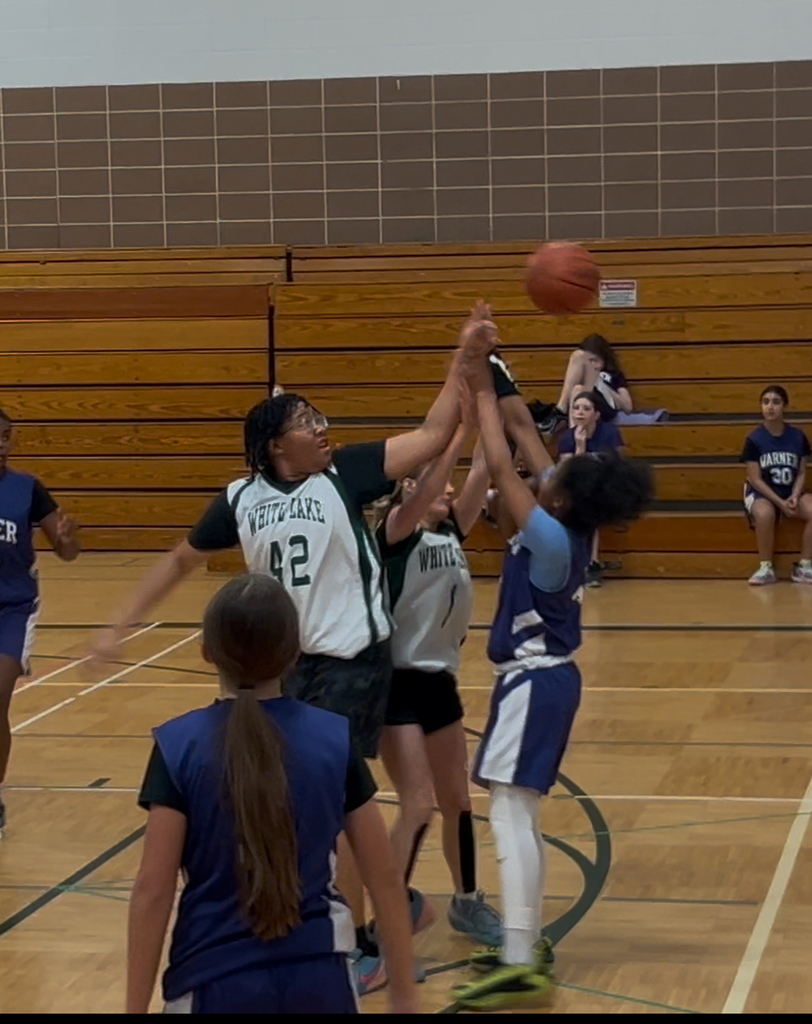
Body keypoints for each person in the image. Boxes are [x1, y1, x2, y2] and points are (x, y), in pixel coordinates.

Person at [94, 302, 498, 978]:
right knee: (283, 798)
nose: (322, 428)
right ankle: (330, 908)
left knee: (333, 802)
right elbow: (178, 560)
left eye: (320, 419)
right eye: (308, 422)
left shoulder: (346, 475)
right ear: (277, 444)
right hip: (279, 664)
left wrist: (464, 352)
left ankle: (350, 932)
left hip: (350, 662)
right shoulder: (240, 498)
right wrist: (118, 624)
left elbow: (433, 433)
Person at [450, 365, 653, 1011]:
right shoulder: (571, 524)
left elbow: (504, 467)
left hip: (534, 682)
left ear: (561, 498)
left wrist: (482, 398)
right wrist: (499, 373)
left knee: (510, 812)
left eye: (558, 477)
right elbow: (537, 458)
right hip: (548, 681)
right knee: (520, 813)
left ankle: (518, 957)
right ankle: (525, 939)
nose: (552, 469)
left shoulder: (548, 533)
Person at [127, 573, 416, 1014]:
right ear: (295, 654)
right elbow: (385, 879)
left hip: (212, 983)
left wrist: (133, 1008)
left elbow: (152, 890)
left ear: (207, 653)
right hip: (322, 982)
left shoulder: (178, 746)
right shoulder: (334, 741)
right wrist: (405, 997)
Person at [370, 394, 501, 979]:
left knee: (459, 803)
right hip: (395, 685)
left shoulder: (453, 534)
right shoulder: (395, 535)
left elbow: (484, 470)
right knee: (417, 804)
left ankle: (467, 903)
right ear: (410, 489)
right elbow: (434, 485)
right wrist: (451, 439)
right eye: (433, 486)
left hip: (439, 684)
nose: (446, 493)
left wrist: (486, 410)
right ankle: (383, 927)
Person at [0, 408, 80, 836]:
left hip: (13, 609)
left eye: (7, 436)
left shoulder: (27, 489)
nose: (2, 443)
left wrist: (68, 538)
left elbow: (68, 551)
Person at [740, 385, 812, 586]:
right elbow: (755, 479)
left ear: (785, 407)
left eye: (776, 402)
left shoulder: (798, 437)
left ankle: (805, 567)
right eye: (766, 402)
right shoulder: (754, 439)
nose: (770, 407)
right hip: (761, 493)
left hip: (790, 491)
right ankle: (766, 567)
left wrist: (795, 495)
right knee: (765, 514)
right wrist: (781, 503)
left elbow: (802, 472)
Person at [557, 391, 625, 588]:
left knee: (591, 501)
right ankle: (589, 563)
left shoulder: (609, 433)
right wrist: (580, 447)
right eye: (576, 408)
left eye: (586, 409)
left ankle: (590, 563)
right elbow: (570, 473)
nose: (579, 412)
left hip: (607, 484)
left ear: (596, 414)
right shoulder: (567, 438)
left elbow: (617, 464)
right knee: (581, 501)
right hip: (578, 487)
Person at [537, 333, 633, 435]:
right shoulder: (583, 374)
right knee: (578, 388)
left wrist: (603, 386)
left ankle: (560, 411)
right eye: (589, 361)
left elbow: (628, 406)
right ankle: (573, 433)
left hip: (604, 406)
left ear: (604, 358)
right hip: (585, 402)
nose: (592, 365)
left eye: (595, 360)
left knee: (578, 356)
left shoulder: (614, 374)